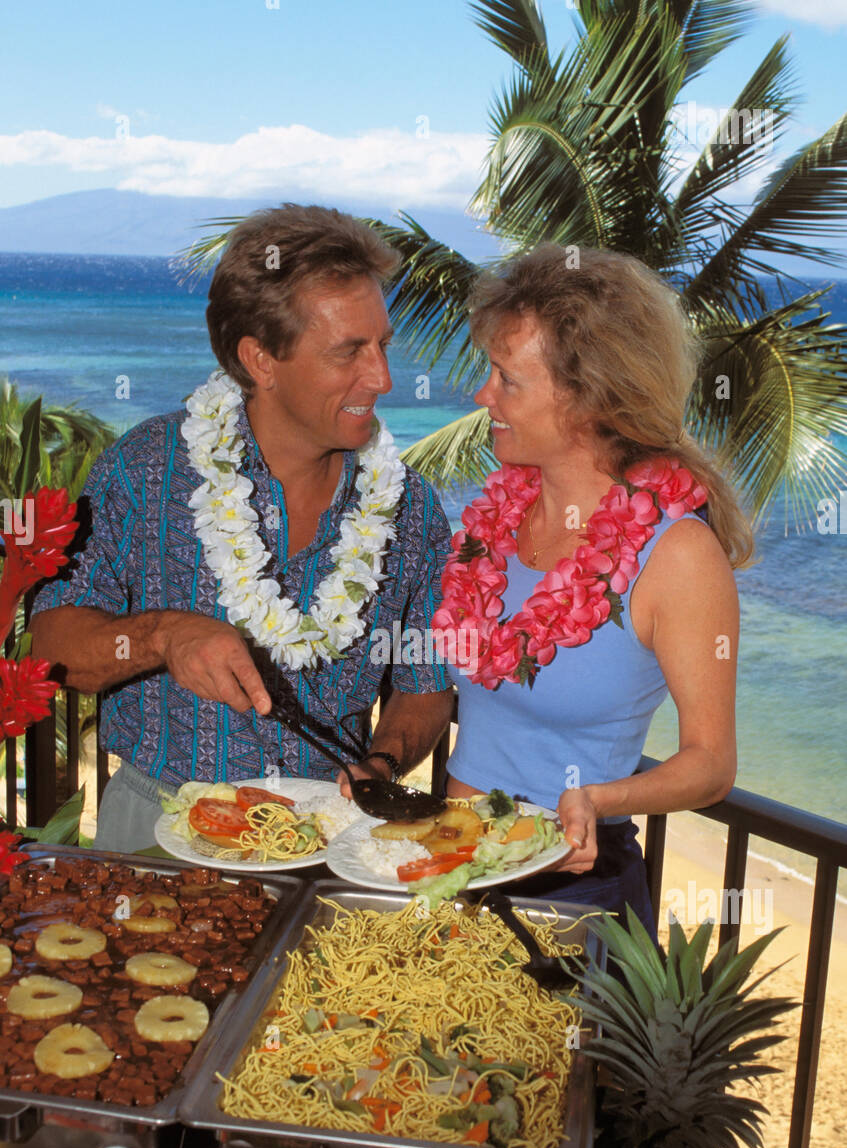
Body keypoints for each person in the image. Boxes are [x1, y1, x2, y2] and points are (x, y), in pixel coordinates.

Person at [29, 205, 455, 852]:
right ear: (260, 359)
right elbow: (51, 647)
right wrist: (162, 635)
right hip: (157, 826)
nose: (383, 378)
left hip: (328, 833)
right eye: (349, 352)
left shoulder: (412, 512)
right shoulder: (143, 471)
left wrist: (385, 762)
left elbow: (424, 689)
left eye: (383, 345)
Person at [435, 245, 752, 937]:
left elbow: (710, 764)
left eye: (506, 380)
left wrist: (599, 797)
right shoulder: (495, 517)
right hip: (451, 870)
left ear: (586, 396)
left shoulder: (677, 556)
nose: (482, 397)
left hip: (569, 899)